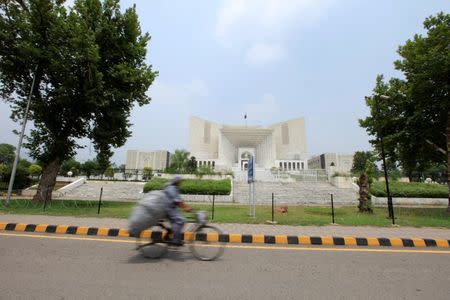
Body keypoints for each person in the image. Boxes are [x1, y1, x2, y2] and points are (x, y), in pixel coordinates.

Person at [163, 176, 192, 246]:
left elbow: (180, 200)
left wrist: (187, 207)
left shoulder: (174, 188)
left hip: (172, 209)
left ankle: (169, 235)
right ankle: (176, 240)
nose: (181, 183)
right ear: (177, 182)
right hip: (168, 209)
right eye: (180, 181)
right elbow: (177, 202)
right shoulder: (171, 189)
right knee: (180, 220)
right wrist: (185, 208)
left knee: (178, 221)